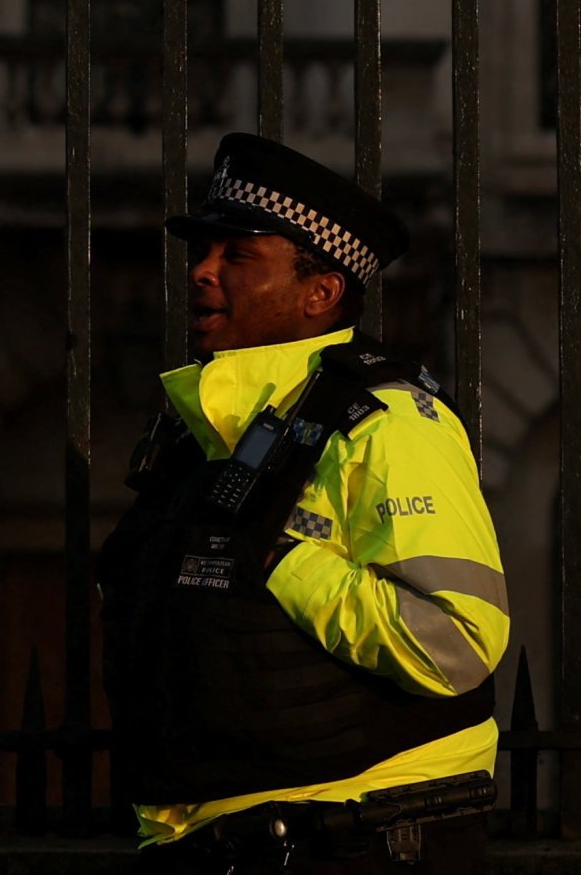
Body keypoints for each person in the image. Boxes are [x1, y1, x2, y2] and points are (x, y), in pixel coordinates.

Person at [99, 133, 510, 867]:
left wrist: (282, 561)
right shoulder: (205, 430)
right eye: (203, 251)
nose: (200, 271)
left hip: (348, 842)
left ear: (319, 292)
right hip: (218, 841)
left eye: (237, 256)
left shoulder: (386, 423)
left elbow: (458, 638)